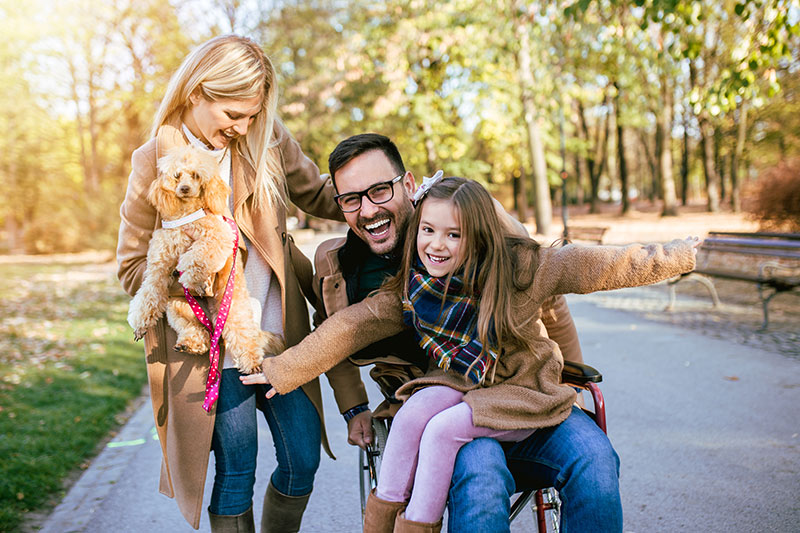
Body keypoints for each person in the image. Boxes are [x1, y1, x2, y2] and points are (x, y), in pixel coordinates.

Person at [246, 175, 698, 532]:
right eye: (427, 231)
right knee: (479, 476)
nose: (435, 245)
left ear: (480, 237)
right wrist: (281, 369)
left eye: (453, 235)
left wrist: (678, 255)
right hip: (465, 413)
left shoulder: (526, 268)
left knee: (595, 459)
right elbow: (347, 328)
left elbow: (606, 264)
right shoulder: (414, 287)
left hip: (534, 404)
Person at [116, 35, 368, 532]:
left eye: (253, 115)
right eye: (234, 113)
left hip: (279, 339)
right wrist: (196, 263)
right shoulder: (155, 161)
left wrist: (380, 198)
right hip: (212, 349)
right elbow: (130, 269)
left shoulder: (265, 139)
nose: (244, 126)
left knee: (302, 463)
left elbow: (318, 193)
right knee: (236, 473)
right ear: (197, 93)